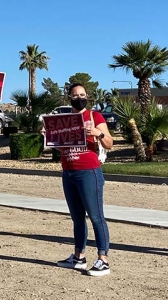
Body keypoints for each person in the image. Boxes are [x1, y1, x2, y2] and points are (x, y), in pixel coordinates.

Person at [44, 83, 113, 276]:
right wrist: (50, 139)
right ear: (69, 97)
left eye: (82, 94)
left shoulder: (94, 116)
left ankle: (103, 260)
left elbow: (109, 143)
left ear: (87, 96)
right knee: (77, 218)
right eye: (75, 95)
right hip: (69, 172)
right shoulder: (65, 120)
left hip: (89, 171)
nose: (79, 97)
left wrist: (97, 133)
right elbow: (65, 147)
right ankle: (78, 257)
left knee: (96, 216)